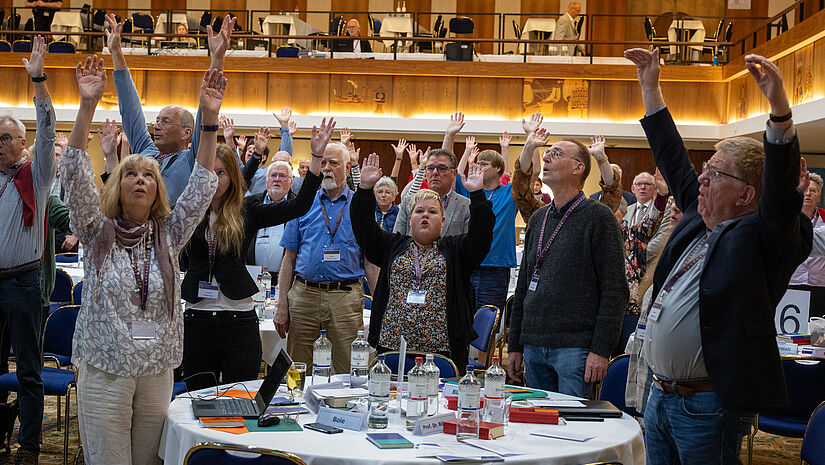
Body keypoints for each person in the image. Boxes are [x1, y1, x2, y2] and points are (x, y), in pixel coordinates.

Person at [624, 47, 811, 465]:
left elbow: (780, 203)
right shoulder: (697, 217)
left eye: (716, 172)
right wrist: (650, 88)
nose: (702, 179)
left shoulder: (761, 239)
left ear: (747, 194)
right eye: (705, 169)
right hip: (659, 394)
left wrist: (780, 112)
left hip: (706, 407)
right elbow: (673, 158)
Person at [61, 54, 221, 464]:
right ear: (119, 184)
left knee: (151, 461)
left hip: (156, 371)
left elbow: (203, 183)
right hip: (105, 369)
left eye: (149, 175)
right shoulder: (97, 232)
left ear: (158, 190)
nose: (141, 179)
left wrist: (209, 119)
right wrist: (87, 105)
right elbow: (75, 172)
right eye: (132, 173)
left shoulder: (169, 233)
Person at [181, 120, 326, 390]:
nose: (214, 179)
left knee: (242, 395)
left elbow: (300, 205)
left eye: (221, 173)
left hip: (239, 320)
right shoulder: (189, 211)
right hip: (197, 318)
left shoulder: (248, 209)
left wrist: (316, 158)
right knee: (198, 398)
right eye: (209, 173)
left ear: (232, 176)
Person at [506, 126, 627, 398]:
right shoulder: (539, 218)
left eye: (555, 154)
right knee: (538, 428)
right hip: (534, 345)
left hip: (576, 348)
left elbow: (614, 290)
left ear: (578, 168)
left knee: (572, 432)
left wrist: (600, 350)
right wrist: (515, 344)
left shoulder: (598, 218)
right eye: (547, 152)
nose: (546, 158)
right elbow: (524, 286)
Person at [353, 154, 494, 372]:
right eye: (419, 211)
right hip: (391, 349)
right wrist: (363, 189)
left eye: (432, 211)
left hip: (443, 352)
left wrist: (477, 195)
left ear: (443, 220)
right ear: (410, 218)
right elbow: (364, 230)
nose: (425, 216)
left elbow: (481, 236)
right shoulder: (393, 245)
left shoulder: (456, 250)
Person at [105, 13, 234, 206]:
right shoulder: (145, 150)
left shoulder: (193, 160)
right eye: (157, 120)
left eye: (165, 122)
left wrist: (217, 59)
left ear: (186, 133)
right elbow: (130, 110)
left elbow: (206, 111)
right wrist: (116, 52)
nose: (157, 126)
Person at [276, 140, 378, 375]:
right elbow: (288, 258)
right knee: (297, 370)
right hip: (303, 296)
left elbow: (370, 262)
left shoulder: (360, 206)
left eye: (333, 163)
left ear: (348, 166)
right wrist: (283, 304)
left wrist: (381, 306)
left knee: (350, 368)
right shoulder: (302, 204)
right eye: (322, 163)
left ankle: (348, 411)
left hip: (345, 297)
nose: (326, 169)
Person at [0, 36, 53, 465]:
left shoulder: (35, 177)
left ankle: (31, 446)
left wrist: (38, 81)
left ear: (22, 144)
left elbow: (49, 126)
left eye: (5, 138)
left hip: (23, 281)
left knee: (28, 372)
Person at [454, 133, 517, 319]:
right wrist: (453, 137)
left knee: (487, 326)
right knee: (462, 321)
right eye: (478, 163)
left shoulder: (508, 194)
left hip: (495, 268)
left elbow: (525, 173)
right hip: (468, 265)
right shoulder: (469, 190)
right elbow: (455, 172)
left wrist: (507, 148)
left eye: (484, 164)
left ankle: (484, 351)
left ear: (497, 168)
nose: (478, 167)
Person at [394, 148, 470, 237]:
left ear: (454, 174)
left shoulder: (466, 206)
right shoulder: (409, 201)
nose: (435, 172)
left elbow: (468, 247)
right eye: (430, 168)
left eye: (442, 168)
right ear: (425, 173)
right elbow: (397, 240)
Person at [247, 161, 297, 280]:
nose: (277, 179)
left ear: (290, 182)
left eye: (282, 176)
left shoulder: (297, 207)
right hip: (251, 276)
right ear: (267, 180)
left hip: (284, 278)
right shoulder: (250, 203)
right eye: (273, 175)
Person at [788, 170, 825, 318]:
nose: (808, 193)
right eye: (805, 190)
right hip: (792, 285)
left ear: (819, 197)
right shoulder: (786, 221)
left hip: (820, 287)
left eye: (813, 190)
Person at [242, 108, 295, 196]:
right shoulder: (245, 172)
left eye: (253, 150)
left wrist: (284, 127)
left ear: (264, 157)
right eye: (249, 150)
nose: (276, 178)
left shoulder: (269, 172)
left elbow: (284, 154)